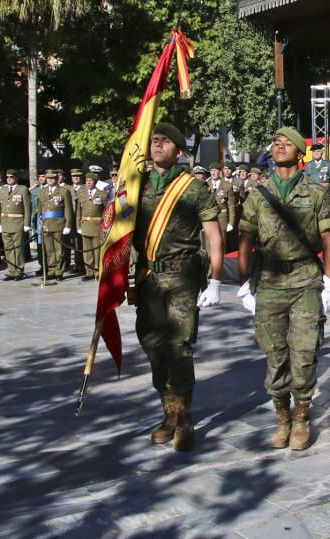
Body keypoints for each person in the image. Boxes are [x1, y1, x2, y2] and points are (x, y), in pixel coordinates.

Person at [236, 127, 330, 451]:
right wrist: (244, 286)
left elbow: (328, 239)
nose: (280, 148)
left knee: (304, 354)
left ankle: (302, 417)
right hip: (268, 283)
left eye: (286, 144)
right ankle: (282, 418)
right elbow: (245, 240)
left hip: (306, 280)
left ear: (299, 153)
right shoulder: (257, 193)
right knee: (275, 356)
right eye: (276, 144)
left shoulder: (317, 192)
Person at [133, 122, 224, 452]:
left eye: (164, 142)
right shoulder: (136, 183)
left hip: (182, 275)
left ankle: (183, 419)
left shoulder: (192, 187)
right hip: (148, 278)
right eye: (154, 141)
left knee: (179, 347)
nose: (157, 146)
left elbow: (214, 233)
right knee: (152, 344)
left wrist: (215, 280)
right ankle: (168, 413)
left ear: (178, 151)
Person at [0, 169, 31, 280]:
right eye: (7, 177)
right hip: (5, 223)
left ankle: (19, 271)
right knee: (8, 248)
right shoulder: (2, 190)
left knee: (18, 248)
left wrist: (26, 223)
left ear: (16, 178)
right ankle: (11, 271)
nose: (9, 179)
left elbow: (27, 208)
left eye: (11, 177)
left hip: (17, 222)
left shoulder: (23, 189)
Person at [37, 169, 72, 281]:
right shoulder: (43, 191)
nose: (50, 180)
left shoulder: (63, 191)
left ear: (57, 179)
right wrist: (39, 223)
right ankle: (51, 270)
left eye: (52, 178)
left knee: (58, 249)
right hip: (46, 224)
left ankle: (59, 271)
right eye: (48, 178)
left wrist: (68, 225)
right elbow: (40, 209)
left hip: (58, 223)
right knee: (49, 249)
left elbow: (68, 209)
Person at [75, 172, 107, 281]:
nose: (88, 182)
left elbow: (106, 211)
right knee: (87, 250)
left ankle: (98, 271)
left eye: (91, 181)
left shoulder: (102, 194)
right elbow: (78, 211)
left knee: (97, 250)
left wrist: (105, 226)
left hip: (97, 225)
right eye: (87, 180)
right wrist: (78, 225)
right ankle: (89, 271)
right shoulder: (81, 194)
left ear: (95, 182)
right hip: (85, 225)